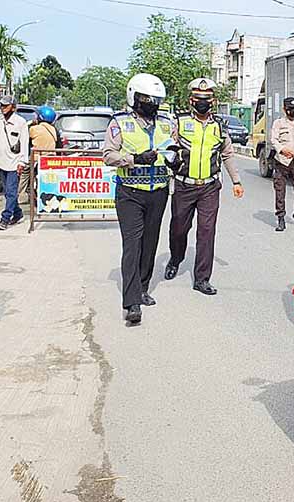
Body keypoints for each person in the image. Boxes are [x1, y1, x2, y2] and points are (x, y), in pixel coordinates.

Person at [102, 73, 175, 325]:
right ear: (134, 97)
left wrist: (178, 159)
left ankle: (143, 286)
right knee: (132, 245)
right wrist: (134, 159)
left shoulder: (167, 122)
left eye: (155, 100)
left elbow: (173, 149)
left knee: (150, 242)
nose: (151, 104)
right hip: (130, 193)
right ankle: (131, 302)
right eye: (146, 99)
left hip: (159, 191)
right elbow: (108, 155)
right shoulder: (120, 123)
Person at [164, 78, 244, 296]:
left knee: (206, 232)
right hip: (184, 186)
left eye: (207, 99)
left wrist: (236, 181)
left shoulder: (220, 126)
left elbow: (227, 154)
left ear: (213, 101)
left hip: (209, 187)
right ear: (191, 100)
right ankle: (176, 258)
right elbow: (167, 148)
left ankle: (202, 278)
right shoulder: (178, 123)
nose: (203, 103)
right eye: (199, 99)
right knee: (179, 228)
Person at [0, 95, 30, 231]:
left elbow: (24, 143)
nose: (3, 108)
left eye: (6, 105)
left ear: (13, 106)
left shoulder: (21, 122)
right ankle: (17, 213)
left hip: (14, 162)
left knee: (11, 192)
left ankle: (5, 218)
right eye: (1, 105)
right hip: (0, 161)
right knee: (7, 192)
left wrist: (22, 162)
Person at [269, 97, 294, 231]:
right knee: (280, 192)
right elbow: (273, 140)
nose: (292, 111)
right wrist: (282, 149)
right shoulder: (278, 123)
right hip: (282, 162)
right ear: (284, 109)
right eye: (289, 109)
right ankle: (281, 218)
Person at [26, 105, 58, 203]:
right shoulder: (54, 129)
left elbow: (25, 138)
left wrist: (31, 123)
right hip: (50, 160)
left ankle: (20, 194)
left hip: (36, 159)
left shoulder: (34, 129)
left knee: (24, 172)